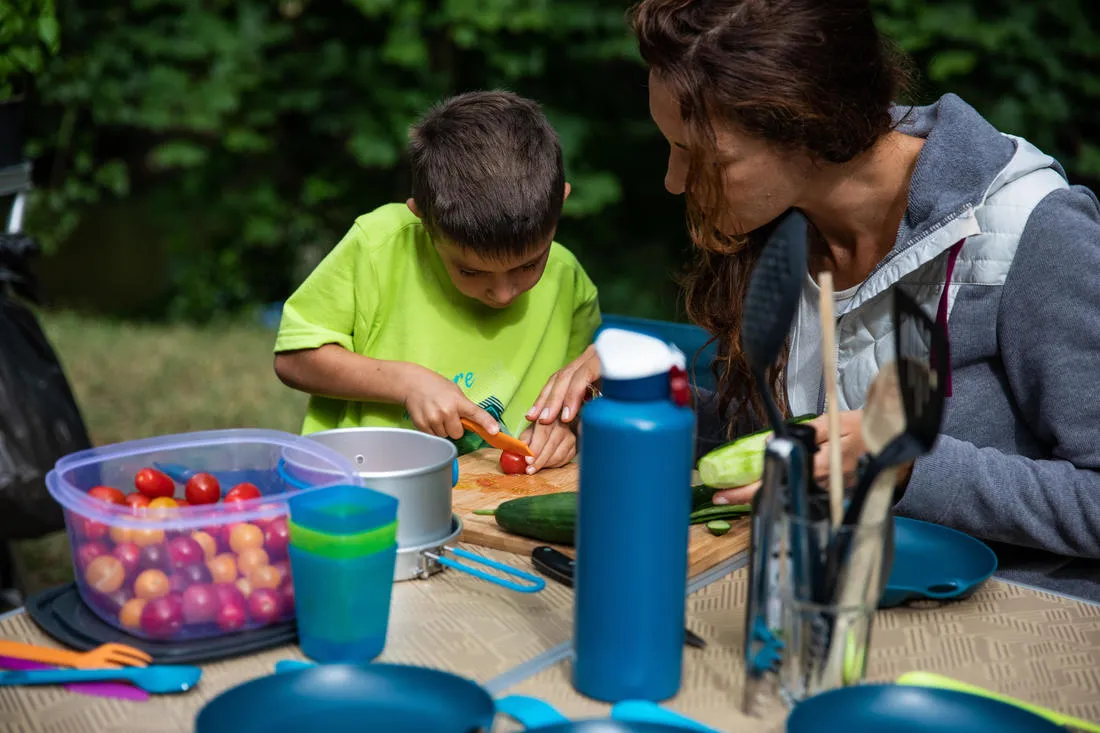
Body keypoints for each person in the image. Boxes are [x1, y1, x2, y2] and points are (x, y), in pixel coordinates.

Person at [529, 0, 1100, 600]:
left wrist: (910, 466)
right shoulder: (778, 227)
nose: (674, 181)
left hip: (1009, 625)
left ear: (807, 124)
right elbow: (794, 441)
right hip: (806, 603)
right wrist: (648, 393)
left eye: (703, 157)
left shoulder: (1035, 229)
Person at [274, 91, 601, 474]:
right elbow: (294, 359)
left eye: (529, 265)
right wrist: (406, 383)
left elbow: (580, 399)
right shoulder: (379, 246)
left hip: (491, 507)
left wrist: (567, 431)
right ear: (423, 220)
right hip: (361, 495)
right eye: (471, 272)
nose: (503, 292)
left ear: (560, 204)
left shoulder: (569, 282)